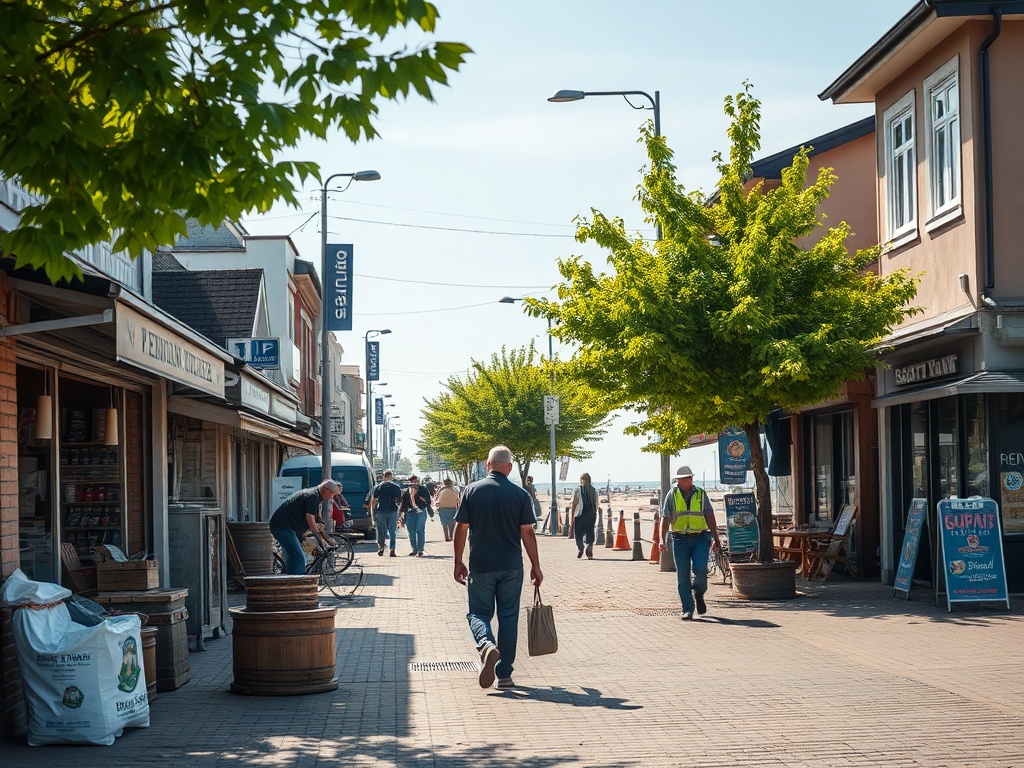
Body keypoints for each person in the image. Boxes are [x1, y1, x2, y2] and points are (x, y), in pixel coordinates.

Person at [453, 445, 542, 690]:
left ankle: (486, 645)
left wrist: (458, 561)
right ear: (510, 467)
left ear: (487, 464)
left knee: (478, 614)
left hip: (481, 565)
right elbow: (527, 532)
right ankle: (504, 674)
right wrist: (536, 566)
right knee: (508, 618)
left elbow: (461, 528)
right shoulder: (520, 495)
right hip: (511, 566)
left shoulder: (471, 491)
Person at [660, 465, 721, 620]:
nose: (680, 482)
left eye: (684, 479)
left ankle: (699, 593)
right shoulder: (672, 495)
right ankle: (687, 609)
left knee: (700, 570)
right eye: (679, 479)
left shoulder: (700, 494)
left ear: (690, 479)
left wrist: (716, 537)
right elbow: (665, 518)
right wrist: (662, 539)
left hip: (700, 538)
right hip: (679, 540)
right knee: (683, 576)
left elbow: (709, 515)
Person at [270, 480, 338, 575]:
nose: (331, 497)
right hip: (282, 526)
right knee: (299, 558)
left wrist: (326, 539)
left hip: (288, 527)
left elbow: (317, 521)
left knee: (293, 559)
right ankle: (298, 585)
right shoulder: (313, 496)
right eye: (332, 494)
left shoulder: (316, 496)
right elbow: (311, 520)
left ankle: (291, 583)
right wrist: (321, 543)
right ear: (326, 490)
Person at [369, 469, 403, 557]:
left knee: (381, 531)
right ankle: (392, 549)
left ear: (383, 477)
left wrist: (372, 514)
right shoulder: (396, 487)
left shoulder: (377, 487)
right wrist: (400, 514)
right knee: (392, 531)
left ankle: (381, 548)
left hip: (380, 511)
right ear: (391, 477)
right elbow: (399, 501)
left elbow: (373, 501)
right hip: (392, 511)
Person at [399, 474, 433, 556]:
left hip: (420, 512)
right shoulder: (406, 491)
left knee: (419, 530)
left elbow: (428, 501)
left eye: (416, 482)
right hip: (410, 513)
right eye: (412, 482)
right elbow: (403, 504)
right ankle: (414, 549)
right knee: (411, 532)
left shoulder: (423, 490)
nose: (414, 484)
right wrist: (402, 515)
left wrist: (418, 495)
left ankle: (420, 550)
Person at [570, 472, 600, 559]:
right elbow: (574, 504)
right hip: (584, 514)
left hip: (586, 514)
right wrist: (572, 516)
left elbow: (596, 503)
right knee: (582, 533)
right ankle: (583, 548)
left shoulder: (590, 490)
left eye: (585, 479)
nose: (584, 481)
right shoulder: (580, 490)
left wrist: (596, 513)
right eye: (583, 479)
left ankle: (587, 550)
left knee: (585, 533)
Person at [433, 477, 461, 542]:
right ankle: (451, 536)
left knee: (444, 524)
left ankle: (446, 537)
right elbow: (458, 498)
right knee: (452, 523)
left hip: (443, 508)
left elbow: (436, 497)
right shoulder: (455, 489)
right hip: (453, 508)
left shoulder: (441, 490)